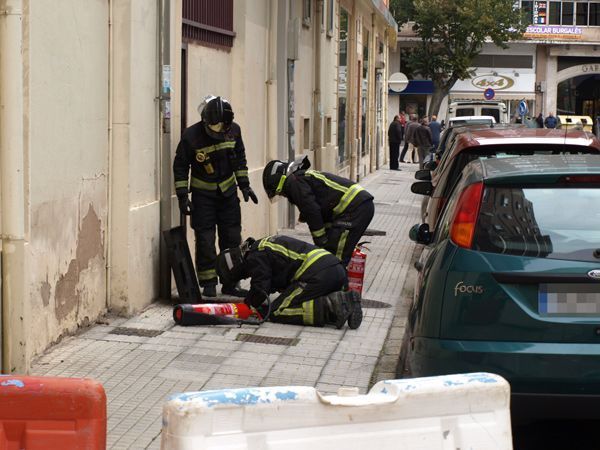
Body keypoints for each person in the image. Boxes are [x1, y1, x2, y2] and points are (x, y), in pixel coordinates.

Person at [173, 95, 258, 298]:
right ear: (205, 120)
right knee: (205, 240)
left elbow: (240, 160)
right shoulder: (191, 136)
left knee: (231, 238)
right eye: (214, 127)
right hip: (203, 196)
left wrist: (244, 186)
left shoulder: (234, 130)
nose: (218, 131)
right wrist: (183, 197)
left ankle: (230, 282)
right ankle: (209, 282)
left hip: (228, 194)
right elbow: (180, 167)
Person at [216, 236, 363, 329]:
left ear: (235, 268)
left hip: (317, 274)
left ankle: (334, 304)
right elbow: (273, 281)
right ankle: (340, 305)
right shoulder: (262, 246)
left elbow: (261, 288)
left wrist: (248, 306)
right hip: (335, 271)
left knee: (277, 311)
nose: (244, 278)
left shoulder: (256, 256)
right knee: (291, 300)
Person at [262, 156, 374, 266]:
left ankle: (337, 283)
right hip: (356, 208)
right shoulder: (299, 178)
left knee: (336, 259)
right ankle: (336, 281)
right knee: (331, 254)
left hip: (354, 209)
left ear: (280, 182)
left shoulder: (294, 183)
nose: (282, 195)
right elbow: (320, 204)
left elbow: (312, 211)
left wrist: (320, 239)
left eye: (279, 192)